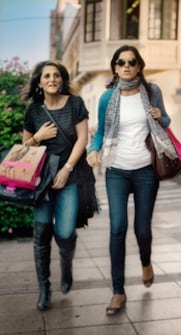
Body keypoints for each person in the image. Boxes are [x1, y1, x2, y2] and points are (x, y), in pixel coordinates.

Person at [86, 45, 171, 316]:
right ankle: (118, 292)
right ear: (114, 67)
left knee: (142, 229)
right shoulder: (107, 97)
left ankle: (146, 261)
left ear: (139, 66)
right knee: (117, 227)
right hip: (117, 170)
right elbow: (100, 131)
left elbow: (165, 121)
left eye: (131, 62)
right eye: (121, 62)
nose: (126, 66)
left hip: (146, 169)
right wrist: (93, 149)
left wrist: (160, 116)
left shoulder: (152, 91)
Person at [21, 60, 89, 311]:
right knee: (40, 236)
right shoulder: (34, 112)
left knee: (64, 231)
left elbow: (83, 138)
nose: (52, 79)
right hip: (40, 182)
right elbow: (24, 149)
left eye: (56, 75)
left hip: (68, 177)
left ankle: (67, 265)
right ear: (39, 83)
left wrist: (67, 168)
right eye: (47, 76)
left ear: (62, 80)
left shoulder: (75, 104)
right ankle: (44, 289)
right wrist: (38, 137)